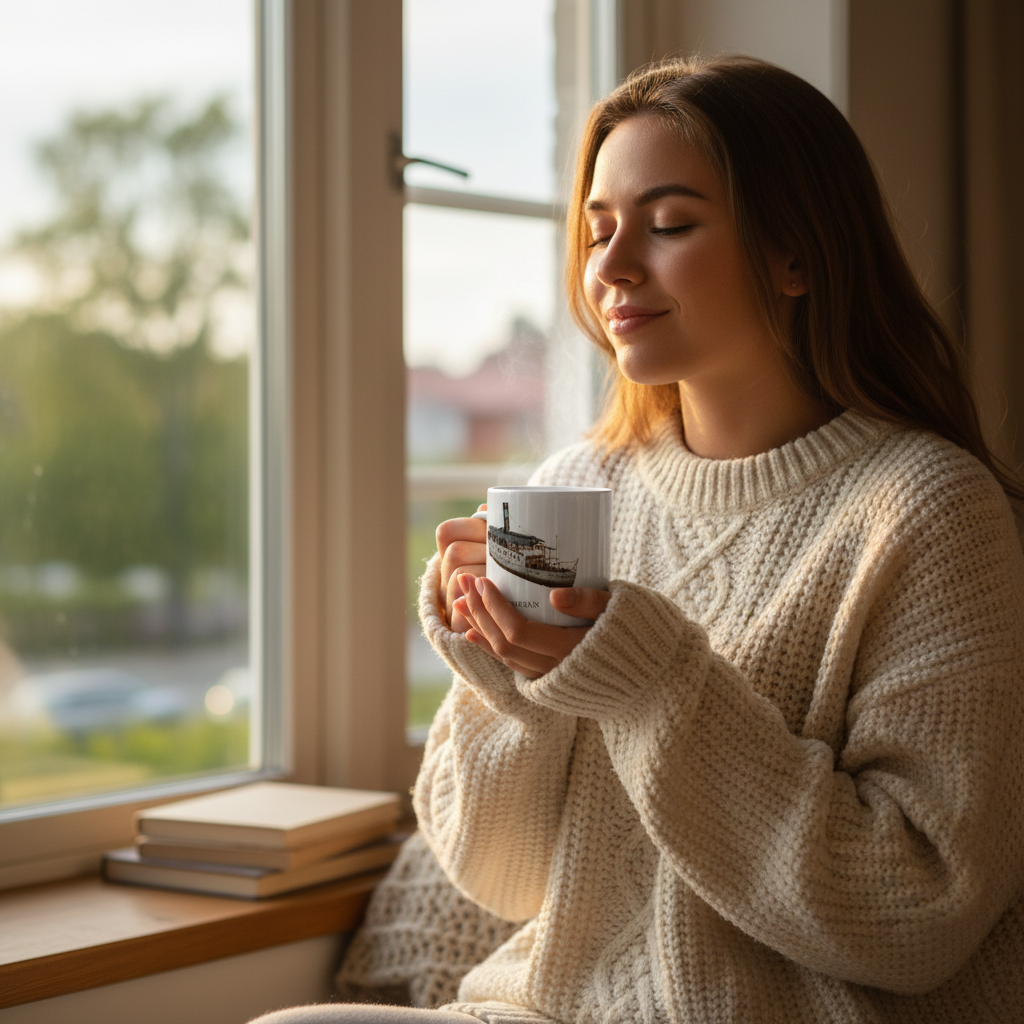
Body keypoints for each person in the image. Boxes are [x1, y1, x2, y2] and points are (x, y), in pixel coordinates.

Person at [250, 54, 1024, 1024]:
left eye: (667, 226)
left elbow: (918, 913)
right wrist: (507, 681)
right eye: (596, 230)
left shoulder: (925, 509)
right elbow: (506, 878)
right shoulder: (579, 485)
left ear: (796, 254)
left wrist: (652, 679)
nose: (612, 268)